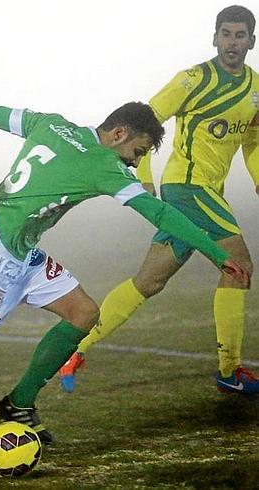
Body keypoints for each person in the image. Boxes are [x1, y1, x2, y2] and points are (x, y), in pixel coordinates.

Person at [0, 80, 248, 471]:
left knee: (83, 313)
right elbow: (159, 212)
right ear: (119, 133)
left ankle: (19, 402)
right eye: (137, 151)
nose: (135, 163)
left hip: (19, 251)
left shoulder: (51, 123)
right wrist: (216, 253)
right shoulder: (105, 165)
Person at [59, 4, 259, 394]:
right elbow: (147, 122)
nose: (232, 42)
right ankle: (229, 371)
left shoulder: (254, 88)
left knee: (148, 282)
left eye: (240, 35)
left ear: (252, 41)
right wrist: (144, 177)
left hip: (205, 191)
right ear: (214, 38)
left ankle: (74, 349)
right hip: (187, 187)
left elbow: (253, 137)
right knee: (239, 265)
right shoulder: (193, 80)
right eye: (225, 34)